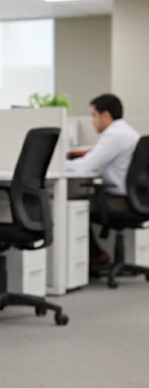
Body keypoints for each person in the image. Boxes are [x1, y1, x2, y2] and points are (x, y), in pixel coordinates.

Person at [65, 93, 139, 267]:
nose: (92, 121)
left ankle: (95, 256)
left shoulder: (114, 135)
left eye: (94, 115)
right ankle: (94, 256)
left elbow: (85, 166)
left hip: (121, 201)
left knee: (71, 204)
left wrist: (58, 164)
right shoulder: (128, 132)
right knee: (81, 200)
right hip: (134, 199)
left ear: (105, 115)